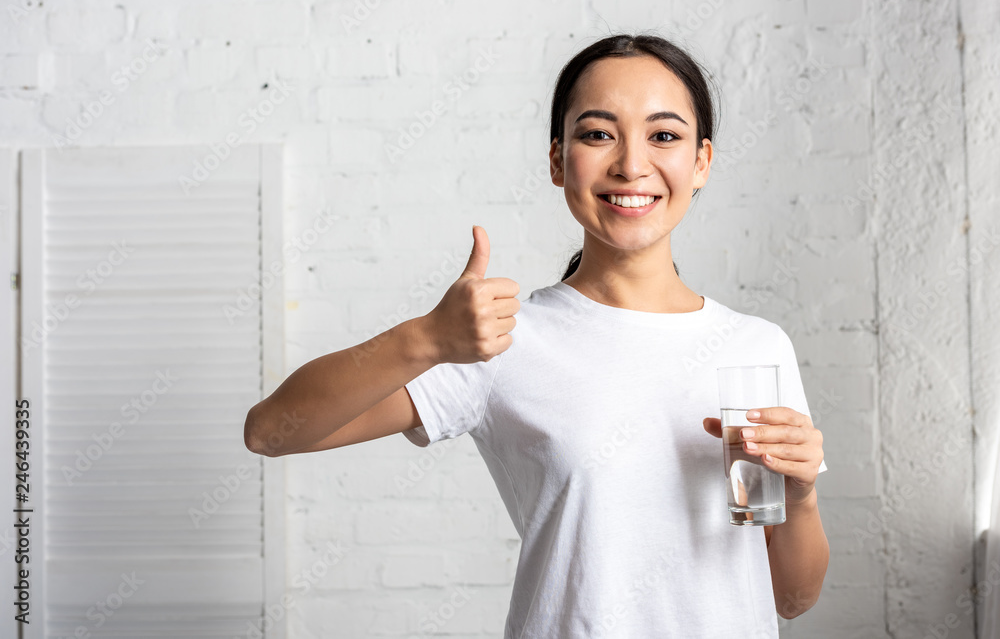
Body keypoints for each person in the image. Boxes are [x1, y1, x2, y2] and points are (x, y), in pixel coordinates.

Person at [245, 32, 829, 638]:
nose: (632, 164)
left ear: (702, 161)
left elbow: (792, 597)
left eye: (664, 135)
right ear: (557, 160)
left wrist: (803, 495)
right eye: (598, 133)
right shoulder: (499, 341)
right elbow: (270, 431)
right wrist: (426, 339)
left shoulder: (756, 347)